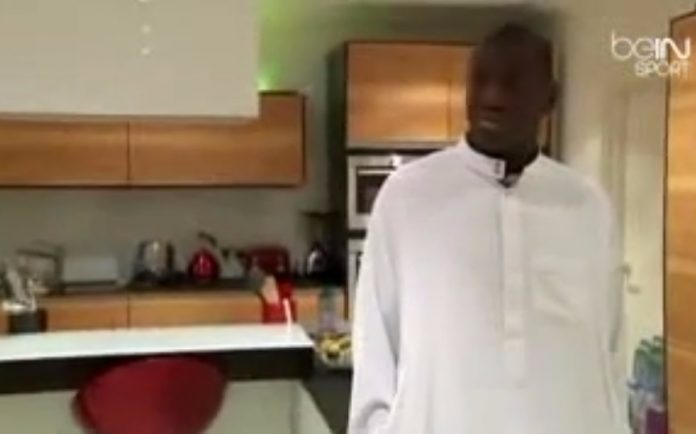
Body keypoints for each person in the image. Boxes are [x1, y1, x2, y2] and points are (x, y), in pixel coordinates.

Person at [348, 23, 627, 434]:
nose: (493, 97)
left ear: (549, 99)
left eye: (513, 82)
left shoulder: (587, 207)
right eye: (480, 80)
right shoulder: (407, 197)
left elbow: (611, 354)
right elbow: (374, 349)